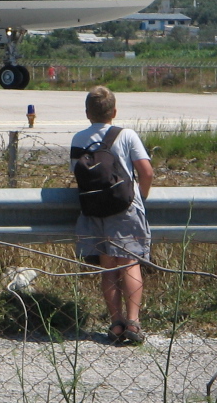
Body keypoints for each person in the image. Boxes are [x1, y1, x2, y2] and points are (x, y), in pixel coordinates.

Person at [70, 86, 153, 345]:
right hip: (125, 207)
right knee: (129, 262)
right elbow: (146, 172)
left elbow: (77, 173)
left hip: (94, 209)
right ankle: (133, 323)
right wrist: (141, 197)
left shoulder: (78, 139)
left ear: (87, 113)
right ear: (114, 112)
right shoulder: (127, 135)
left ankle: (116, 323)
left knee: (107, 266)